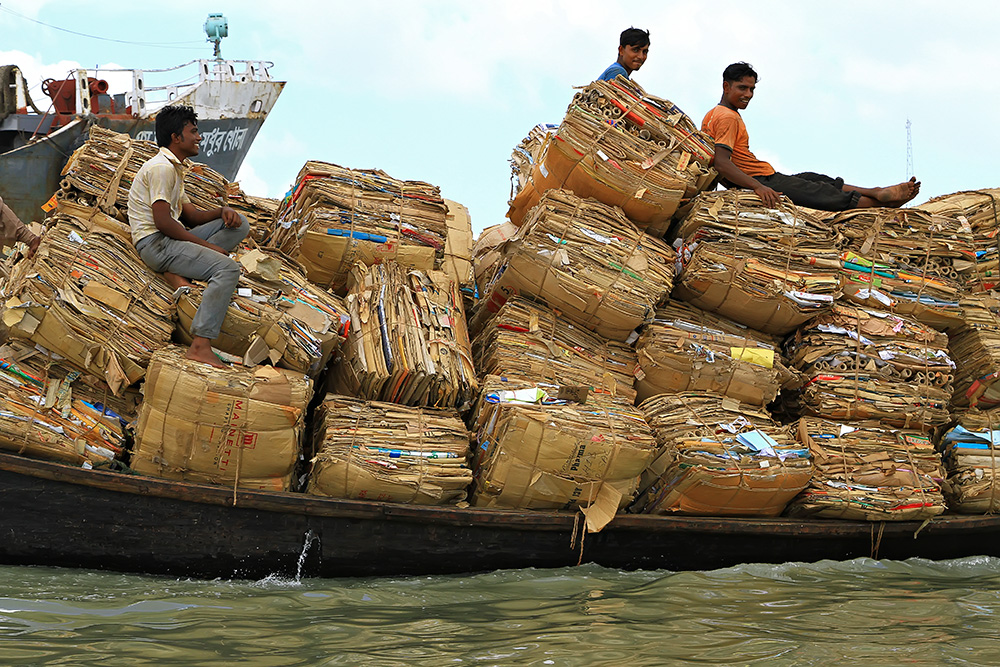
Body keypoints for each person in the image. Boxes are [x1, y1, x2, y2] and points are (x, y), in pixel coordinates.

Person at [701, 61, 920, 211]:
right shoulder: (728, 117)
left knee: (813, 179)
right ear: (726, 87)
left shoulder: (711, 115)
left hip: (761, 175)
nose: (748, 94)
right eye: (742, 88)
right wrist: (758, 187)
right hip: (759, 179)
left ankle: (875, 191)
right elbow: (721, 162)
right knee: (818, 193)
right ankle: (882, 205)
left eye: (752, 89)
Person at [127, 105, 249, 368]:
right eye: (193, 132)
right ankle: (200, 344)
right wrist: (208, 248)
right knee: (227, 269)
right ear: (176, 137)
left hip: (167, 240)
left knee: (238, 225)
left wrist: (223, 210)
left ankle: (182, 269)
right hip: (156, 244)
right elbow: (163, 223)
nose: (199, 138)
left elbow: (190, 216)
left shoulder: (175, 167)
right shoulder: (162, 169)